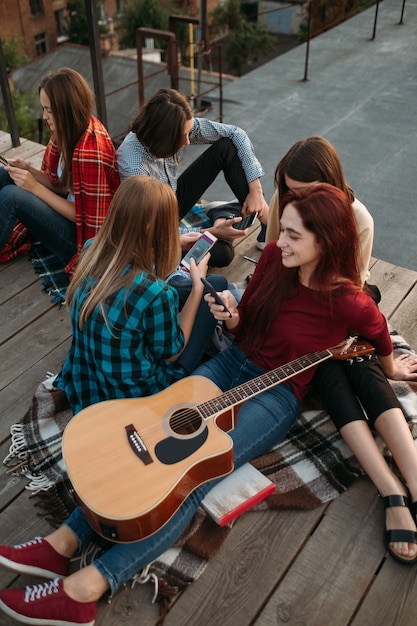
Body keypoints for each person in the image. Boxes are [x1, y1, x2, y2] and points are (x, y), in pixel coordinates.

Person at [1, 183, 415, 625]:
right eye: (285, 230)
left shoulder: (349, 301)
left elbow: (378, 333)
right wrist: (232, 318)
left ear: (325, 242)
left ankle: (89, 587)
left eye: (295, 235)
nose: (280, 240)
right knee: (152, 429)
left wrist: (390, 369)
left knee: (190, 476)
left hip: (276, 395)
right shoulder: (275, 257)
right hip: (232, 361)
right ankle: (64, 542)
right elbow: (247, 317)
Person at [264, 138, 417, 565]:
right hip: (292, 306)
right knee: (329, 373)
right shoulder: (284, 199)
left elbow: (352, 289)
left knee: (364, 367)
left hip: (340, 302)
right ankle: (391, 491)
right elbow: (277, 256)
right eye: (289, 189)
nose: (296, 198)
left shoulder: (357, 219)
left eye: (305, 188)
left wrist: (387, 362)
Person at [116, 87, 269, 268]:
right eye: (183, 136)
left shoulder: (177, 124)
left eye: (189, 132)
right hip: (157, 224)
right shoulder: (133, 167)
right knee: (222, 253)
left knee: (227, 147)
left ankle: (267, 222)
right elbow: (152, 233)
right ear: (163, 137)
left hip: (173, 199)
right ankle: (220, 214)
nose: (188, 141)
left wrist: (256, 190)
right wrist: (211, 232)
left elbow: (236, 133)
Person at [0, 68, 120, 277]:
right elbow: (62, 185)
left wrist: (35, 187)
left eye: (49, 110)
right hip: (67, 212)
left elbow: (85, 218)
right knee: (4, 174)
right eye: (43, 108)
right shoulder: (66, 131)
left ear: (66, 109)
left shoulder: (91, 153)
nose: (44, 116)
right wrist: (29, 170)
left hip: (82, 239)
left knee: (11, 197)